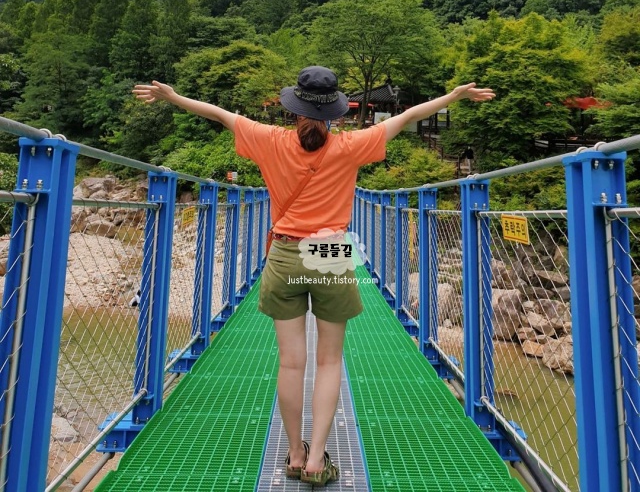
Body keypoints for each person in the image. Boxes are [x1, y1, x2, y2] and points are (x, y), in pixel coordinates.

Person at [133, 66, 494, 486]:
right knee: (329, 360)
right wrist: (453, 96)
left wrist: (173, 97)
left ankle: (293, 453)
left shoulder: (269, 139)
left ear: (294, 109)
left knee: (291, 363)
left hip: (285, 251)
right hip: (331, 252)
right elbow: (408, 115)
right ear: (335, 113)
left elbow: (219, 114)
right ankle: (318, 458)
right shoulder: (352, 145)